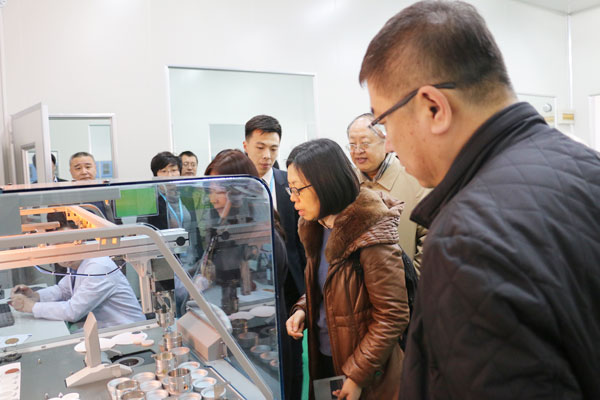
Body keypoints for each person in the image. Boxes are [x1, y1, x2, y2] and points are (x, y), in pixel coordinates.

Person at [359, 1, 600, 399]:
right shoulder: (587, 166)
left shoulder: (467, 240)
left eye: (384, 122)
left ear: (434, 107)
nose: (390, 144)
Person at [285, 139, 409, 400]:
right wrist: (303, 308)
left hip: (367, 370)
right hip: (329, 357)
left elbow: (393, 315)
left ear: (325, 183)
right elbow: (329, 286)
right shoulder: (317, 226)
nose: (293, 198)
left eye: (298, 189)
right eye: (290, 189)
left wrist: (357, 375)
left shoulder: (371, 233)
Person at [205, 149, 296, 400]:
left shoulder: (264, 233)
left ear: (240, 192)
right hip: (238, 332)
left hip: (265, 338)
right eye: (210, 191)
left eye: (219, 192)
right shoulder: (227, 228)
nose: (213, 199)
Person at [244, 115, 305, 400]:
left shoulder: (288, 182)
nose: (267, 155)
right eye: (260, 147)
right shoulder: (237, 186)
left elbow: (301, 241)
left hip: (290, 286)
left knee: (293, 355)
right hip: (253, 290)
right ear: (246, 146)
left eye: (273, 148)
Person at [347, 113, 428, 273]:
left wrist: (413, 279)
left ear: (385, 141)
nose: (357, 151)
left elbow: (429, 236)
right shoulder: (348, 184)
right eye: (352, 144)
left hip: (403, 282)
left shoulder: (414, 178)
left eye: (364, 143)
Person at [10, 255, 145, 330]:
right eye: (57, 247)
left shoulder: (98, 267)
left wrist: (31, 306)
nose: (64, 252)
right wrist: (35, 296)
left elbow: (72, 311)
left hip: (127, 331)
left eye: (68, 242)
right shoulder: (77, 264)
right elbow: (63, 290)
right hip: (106, 329)